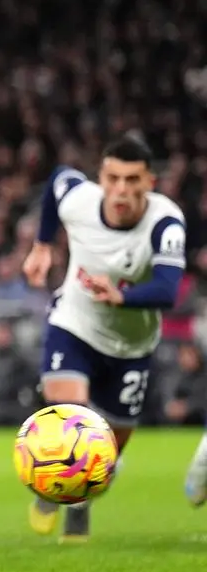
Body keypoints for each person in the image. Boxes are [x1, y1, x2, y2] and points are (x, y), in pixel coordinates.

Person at [23, 134, 185, 541]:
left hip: (132, 347)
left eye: (132, 180)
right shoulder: (80, 202)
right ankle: (55, 487)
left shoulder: (165, 223)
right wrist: (42, 245)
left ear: (150, 182)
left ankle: (79, 499)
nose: (121, 190)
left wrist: (122, 296)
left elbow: (167, 289)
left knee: (107, 451)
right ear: (102, 177)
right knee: (71, 416)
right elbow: (57, 180)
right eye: (113, 177)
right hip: (75, 324)